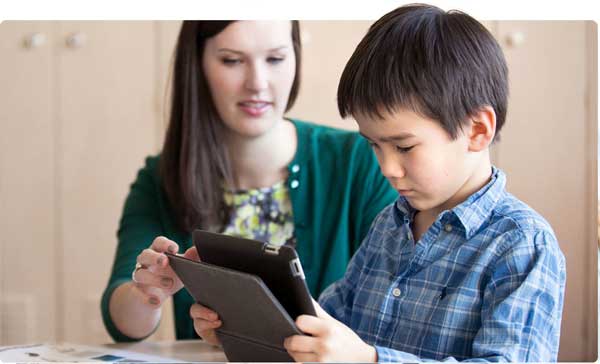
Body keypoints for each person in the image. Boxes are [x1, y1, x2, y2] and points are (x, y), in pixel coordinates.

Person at [192, 5, 567, 362]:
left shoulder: (522, 244)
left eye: (404, 147)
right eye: (374, 145)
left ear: (477, 130)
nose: (387, 168)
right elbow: (327, 326)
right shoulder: (390, 225)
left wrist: (370, 360)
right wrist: (246, 324)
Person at [100, 20, 397, 342]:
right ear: (197, 64)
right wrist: (149, 293)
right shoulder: (160, 178)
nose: (257, 83)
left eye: (275, 59)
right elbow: (123, 322)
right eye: (232, 60)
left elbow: (393, 307)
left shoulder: (360, 162)